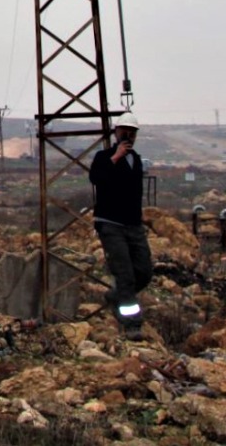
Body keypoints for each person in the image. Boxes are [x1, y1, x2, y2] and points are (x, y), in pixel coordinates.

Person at [89, 111, 153, 340]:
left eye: (132, 132)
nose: (128, 135)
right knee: (124, 273)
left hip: (133, 225)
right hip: (110, 224)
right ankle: (131, 323)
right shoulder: (103, 157)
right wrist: (115, 158)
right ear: (116, 132)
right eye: (124, 131)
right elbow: (96, 179)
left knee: (144, 271)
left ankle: (117, 296)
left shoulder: (135, 160)